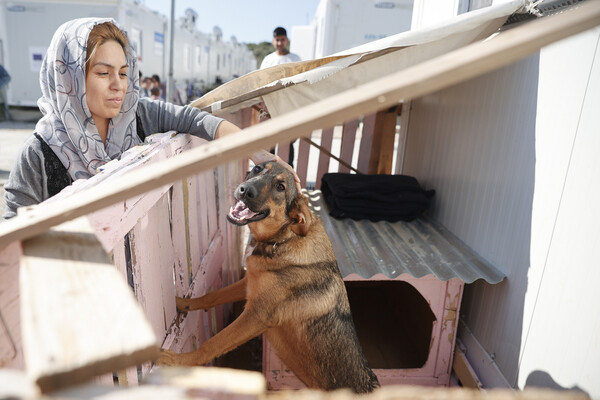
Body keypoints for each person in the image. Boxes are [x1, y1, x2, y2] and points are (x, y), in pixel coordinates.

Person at [2, 18, 298, 219]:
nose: (119, 84)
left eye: (123, 72)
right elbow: (14, 233)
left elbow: (197, 120)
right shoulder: (39, 153)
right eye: (103, 73)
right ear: (68, 77)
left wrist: (258, 152)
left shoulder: (138, 114)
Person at [259, 27, 301, 165]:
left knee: (287, 142)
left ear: (287, 40)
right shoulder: (268, 60)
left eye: (282, 40)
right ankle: (269, 178)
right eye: (277, 40)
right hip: (270, 106)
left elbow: (300, 82)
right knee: (269, 142)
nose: (279, 43)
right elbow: (261, 81)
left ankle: (288, 177)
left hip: (288, 107)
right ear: (273, 41)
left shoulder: (295, 59)